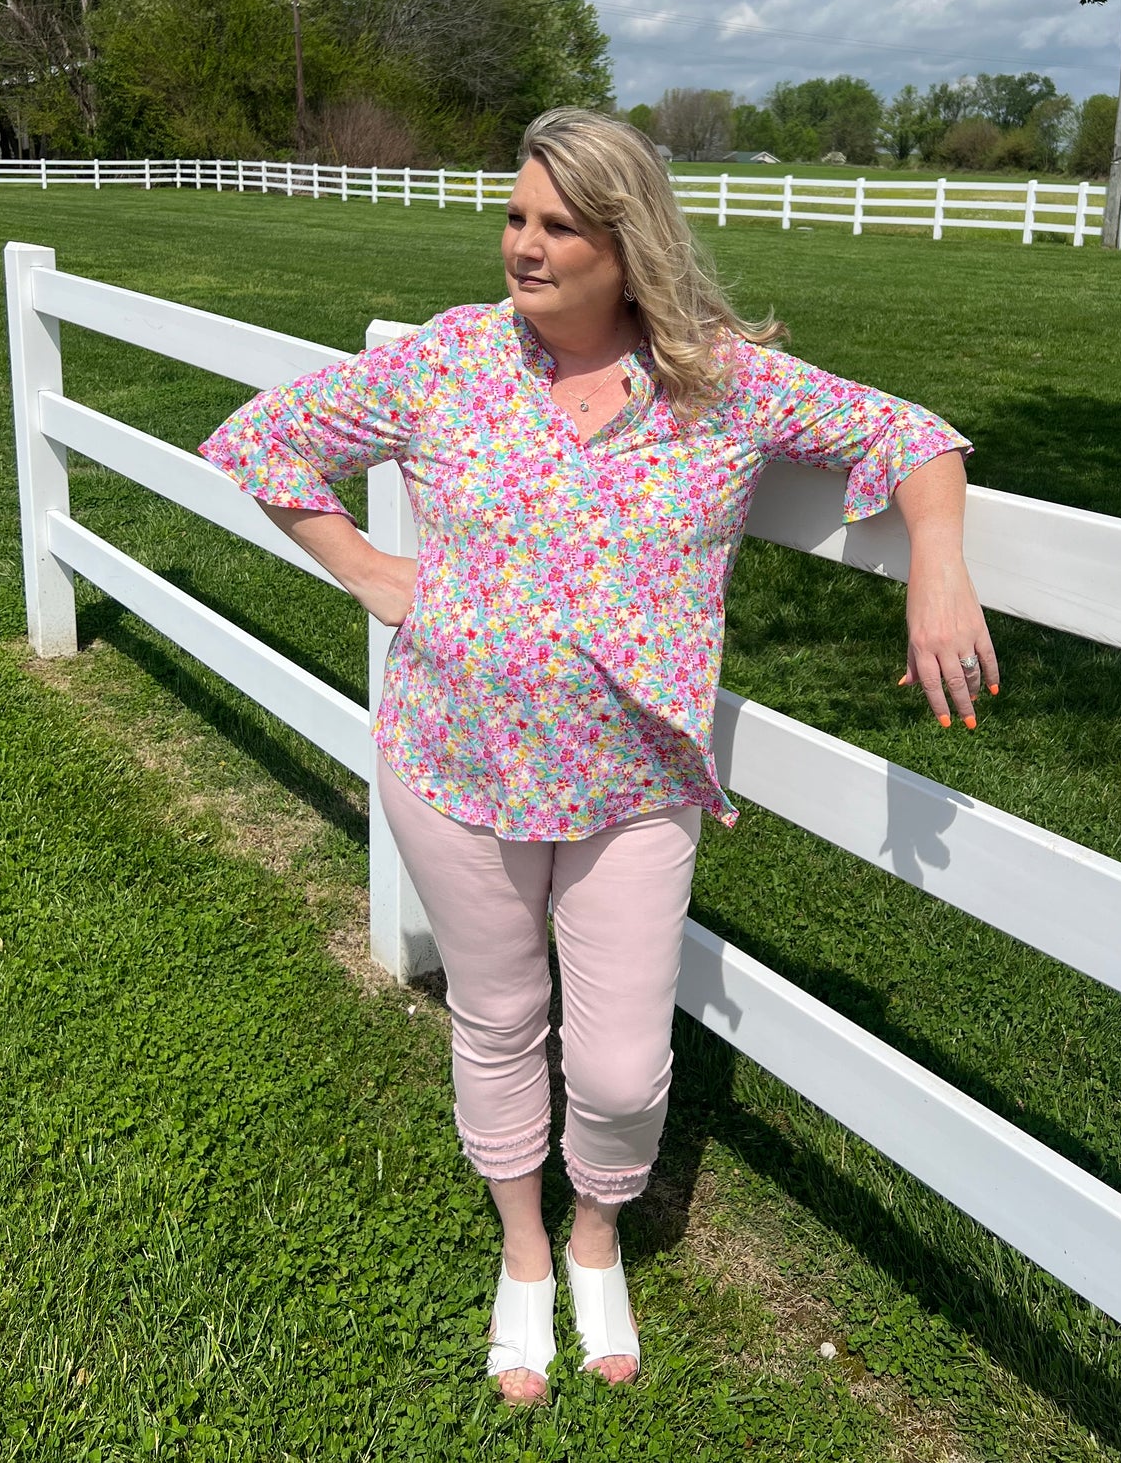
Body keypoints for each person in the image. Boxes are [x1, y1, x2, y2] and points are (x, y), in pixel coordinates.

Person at [199, 108, 997, 1404]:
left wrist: (938, 571)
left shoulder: (722, 384)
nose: (523, 245)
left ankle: (594, 1231)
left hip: (631, 794)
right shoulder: (448, 359)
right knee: (498, 1014)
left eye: (556, 225)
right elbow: (261, 440)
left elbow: (910, 436)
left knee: (621, 1066)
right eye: (515, 217)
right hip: (451, 767)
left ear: (626, 244)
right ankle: (525, 1250)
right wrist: (362, 569)